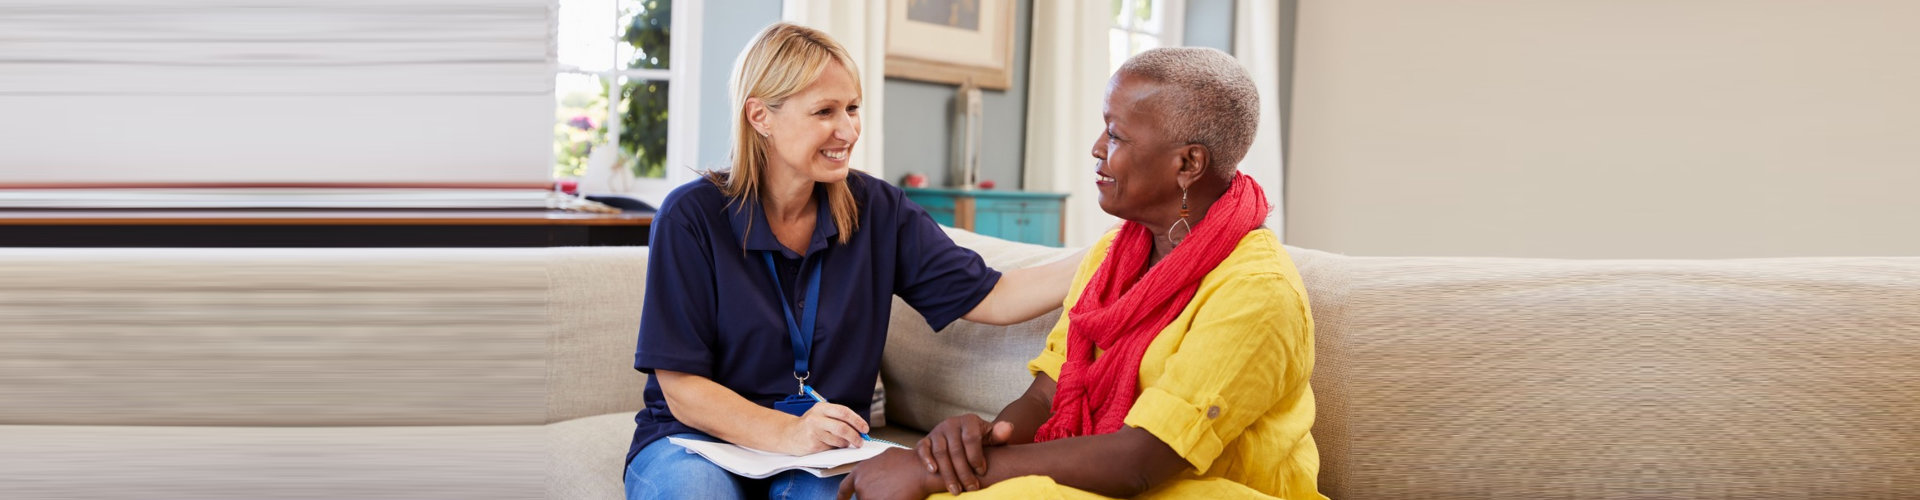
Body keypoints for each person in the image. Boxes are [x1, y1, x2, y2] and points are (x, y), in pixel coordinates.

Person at [837, 47, 1326, 500]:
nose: (1096, 148)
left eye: (1115, 134)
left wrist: (931, 472)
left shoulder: (1258, 291)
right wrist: (982, 442)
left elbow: (1139, 460)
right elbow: (1052, 390)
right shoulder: (1115, 253)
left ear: (1188, 163)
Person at [623, 23, 1081, 500]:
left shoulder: (879, 210)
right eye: (824, 111)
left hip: (824, 451)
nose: (848, 130)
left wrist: (1110, 250)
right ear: (761, 115)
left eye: (853, 108)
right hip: (697, 444)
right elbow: (680, 386)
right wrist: (786, 432)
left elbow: (994, 296)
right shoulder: (691, 216)